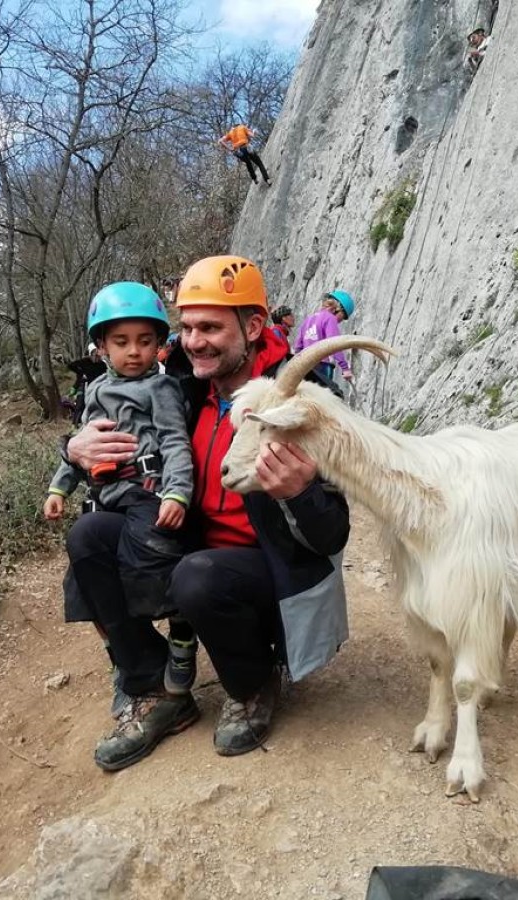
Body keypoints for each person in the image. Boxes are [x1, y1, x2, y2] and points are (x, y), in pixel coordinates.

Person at [63, 254, 350, 772]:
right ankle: (156, 689)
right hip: (194, 552)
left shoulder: (302, 399)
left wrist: (301, 491)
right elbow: (109, 425)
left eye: (211, 327)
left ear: (254, 326)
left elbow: (333, 535)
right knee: (90, 536)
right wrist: (74, 449)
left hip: (269, 574)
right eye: (188, 327)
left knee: (200, 575)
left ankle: (253, 681)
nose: (194, 341)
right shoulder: (185, 388)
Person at [45, 282, 199, 699]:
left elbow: (174, 442)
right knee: (86, 582)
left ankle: (183, 632)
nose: (134, 351)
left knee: (151, 568)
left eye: (145, 341)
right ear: (101, 346)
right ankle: (126, 657)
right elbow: (82, 444)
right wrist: (59, 487)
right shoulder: (93, 390)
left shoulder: (161, 388)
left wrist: (176, 493)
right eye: (122, 341)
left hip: (147, 493)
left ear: (159, 345)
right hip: (105, 499)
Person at [293, 289, 356, 385]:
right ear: (338, 309)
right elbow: (334, 344)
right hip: (322, 366)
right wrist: (345, 368)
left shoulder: (308, 319)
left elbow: (298, 347)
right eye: (342, 317)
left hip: (305, 367)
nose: (340, 321)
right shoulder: (330, 318)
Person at [65, 343, 109, 425]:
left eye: (98, 354)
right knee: (80, 405)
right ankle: (75, 424)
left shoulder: (102, 365)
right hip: (84, 386)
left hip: (97, 388)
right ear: (91, 354)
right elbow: (71, 366)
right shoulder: (85, 362)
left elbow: (107, 374)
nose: (96, 356)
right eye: (94, 354)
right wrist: (81, 373)